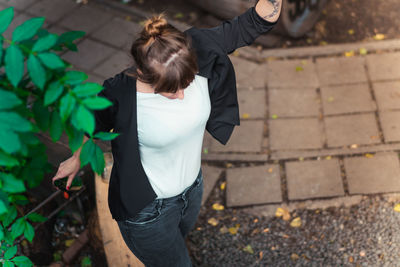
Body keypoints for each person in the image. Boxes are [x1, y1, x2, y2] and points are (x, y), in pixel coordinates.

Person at [52, 0, 282, 266]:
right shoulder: (120, 94)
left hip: (192, 190)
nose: (182, 95)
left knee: (176, 246)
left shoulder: (199, 46)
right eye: (172, 90)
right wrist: (76, 158)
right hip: (148, 212)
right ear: (142, 73)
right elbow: (89, 123)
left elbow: (253, 22)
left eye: (187, 82)